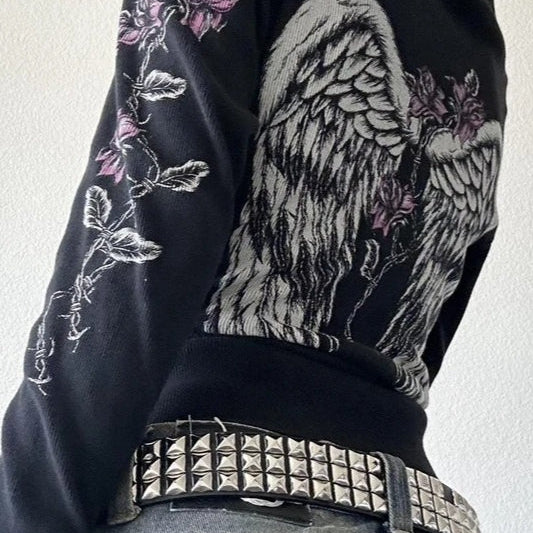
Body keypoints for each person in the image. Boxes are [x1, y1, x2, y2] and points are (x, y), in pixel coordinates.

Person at [0, 0, 507, 532]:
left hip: (224, 494)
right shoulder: (477, 24)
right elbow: (430, 304)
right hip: (422, 508)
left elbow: (146, 231)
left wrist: (29, 509)